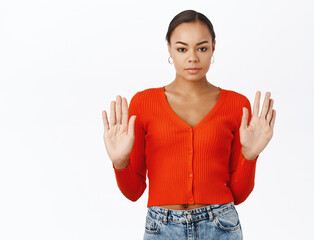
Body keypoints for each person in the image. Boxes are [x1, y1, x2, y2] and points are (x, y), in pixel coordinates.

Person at [102, 9, 276, 240]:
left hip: (221, 225)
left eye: (202, 48)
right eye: (182, 48)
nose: (192, 57)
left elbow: (238, 194)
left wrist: (250, 154)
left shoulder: (237, 105)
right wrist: (120, 162)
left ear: (214, 47)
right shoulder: (143, 103)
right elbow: (134, 193)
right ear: (169, 50)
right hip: (161, 227)